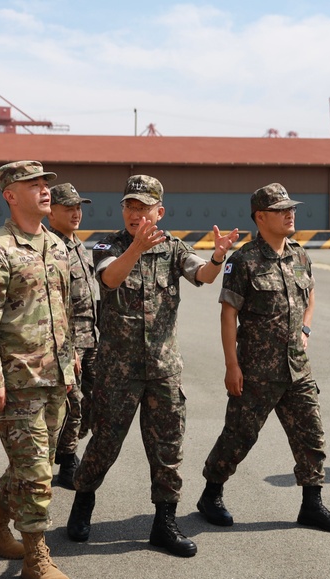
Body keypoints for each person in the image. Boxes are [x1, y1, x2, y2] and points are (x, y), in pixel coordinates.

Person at [67, 174, 240, 558]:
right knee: (104, 443)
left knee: (168, 447)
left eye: (143, 207)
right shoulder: (107, 244)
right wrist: (137, 248)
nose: (135, 213)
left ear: (159, 212)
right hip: (118, 370)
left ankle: (164, 522)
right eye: (130, 205)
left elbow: (203, 275)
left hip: (163, 369)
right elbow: (110, 279)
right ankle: (82, 505)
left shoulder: (173, 248)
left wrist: (217, 256)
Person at [197, 183, 330, 533]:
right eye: (281, 210)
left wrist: (306, 331)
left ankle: (312, 504)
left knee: (311, 435)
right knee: (238, 437)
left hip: (297, 367)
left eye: (291, 208)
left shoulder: (300, 254)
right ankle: (211, 494)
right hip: (256, 371)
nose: (290, 213)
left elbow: (310, 296)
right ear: (261, 217)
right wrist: (231, 365)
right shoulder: (244, 260)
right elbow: (228, 314)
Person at [0, 160, 75, 579]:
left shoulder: (58, 245)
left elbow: (61, 311)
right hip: (17, 379)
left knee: (37, 463)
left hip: (56, 376)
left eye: (45, 183)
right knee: (35, 473)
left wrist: (71, 361)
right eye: (33, 185)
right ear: (10, 195)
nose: (45, 190)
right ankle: (36, 556)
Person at [46, 183, 98, 489]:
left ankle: (65, 451)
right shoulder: (50, 247)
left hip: (90, 338)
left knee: (92, 403)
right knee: (74, 402)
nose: (76, 213)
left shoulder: (79, 245)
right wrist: (69, 349)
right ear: (51, 213)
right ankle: (66, 462)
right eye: (69, 208)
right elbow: (54, 303)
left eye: (78, 207)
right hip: (68, 343)